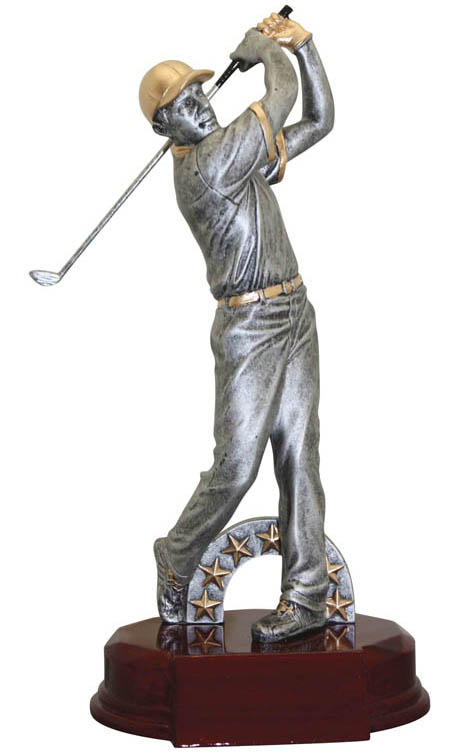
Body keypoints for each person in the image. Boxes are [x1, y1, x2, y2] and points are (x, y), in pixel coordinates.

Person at [139, 13, 334, 642]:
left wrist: (305, 47)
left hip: (295, 313)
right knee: (237, 466)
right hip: (249, 327)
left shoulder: (239, 155)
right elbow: (280, 96)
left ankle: (306, 598)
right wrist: (262, 49)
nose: (200, 105)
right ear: (165, 128)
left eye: (200, 92)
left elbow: (319, 121)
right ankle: (177, 553)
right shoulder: (208, 166)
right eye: (182, 104)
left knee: (300, 458)